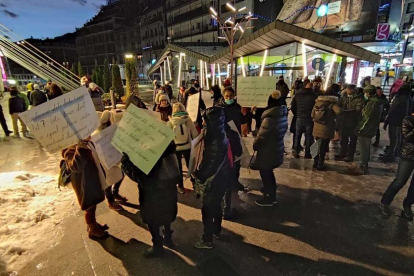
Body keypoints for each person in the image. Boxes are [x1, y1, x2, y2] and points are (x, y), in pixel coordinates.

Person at [121, 142, 180, 258]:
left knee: (153, 221)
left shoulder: (148, 153)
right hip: (168, 190)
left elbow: (140, 176)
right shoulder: (166, 144)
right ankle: (168, 237)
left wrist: (125, 163)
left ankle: (157, 247)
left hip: (152, 195)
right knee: (166, 213)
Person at [193, 106, 229, 249]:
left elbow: (210, 166)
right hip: (222, 178)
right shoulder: (220, 132)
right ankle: (217, 230)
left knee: (207, 209)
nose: (203, 123)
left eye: (205, 120)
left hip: (213, 181)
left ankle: (207, 239)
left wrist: (197, 174)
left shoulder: (215, 140)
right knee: (217, 205)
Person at [63, 138, 109, 239]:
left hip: (90, 179)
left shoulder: (83, 143)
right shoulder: (69, 150)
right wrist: (81, 148)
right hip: (83, 182)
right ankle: (92, 229)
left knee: (93, 204)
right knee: (89, 207)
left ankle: (93, 223)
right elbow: (76, 166)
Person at [251, 90, 288, 206]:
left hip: (267, 151)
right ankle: (270, 191)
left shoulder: (269, 119)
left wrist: (255, 145)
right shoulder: (282, 115)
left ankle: (269, 197)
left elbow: (261, 138)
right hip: (276, 149)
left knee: (266, 173)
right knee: (269, 172)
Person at [218, 87, 246, 219]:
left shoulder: (238, 107)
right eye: (227, 96)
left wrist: (249, 113)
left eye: (231, 96)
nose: (229, 98)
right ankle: (226, 205)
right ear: (223, 96)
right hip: (225, 141)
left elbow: (243, 121)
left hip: (236, 139)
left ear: (234, 96)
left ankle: (235, 181)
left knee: (237, 162)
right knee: (227, 167)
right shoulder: (219, 108)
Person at [380, 114, 414, 219]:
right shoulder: (408, 120)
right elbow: (407, 137)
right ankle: (385, 202)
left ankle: (408, 205)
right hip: (408, 155)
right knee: (400, 181)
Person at [349, 85, 387, 175]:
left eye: (366, 92)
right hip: (371, 127)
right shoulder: (376, 101)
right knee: (364, 147)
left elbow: (367, 118)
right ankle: (362, 164)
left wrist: (359, 128)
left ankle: (363, 166)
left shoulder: (372, 103)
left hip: (366, 129)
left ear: (368, 93)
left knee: (364, 148)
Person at [95, 111, 127, 211]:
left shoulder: (112, 129)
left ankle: (115, 192)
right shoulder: (97, 134)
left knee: (121, 175)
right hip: (105, 162)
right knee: (108, 181)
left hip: (115, 159)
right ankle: (110, 201)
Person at [167, 103, 199, 194]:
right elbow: (195, 133)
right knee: (191, 166)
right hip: (187, 146)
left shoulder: (171, 121)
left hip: (176, 149)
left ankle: (180, 186)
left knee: (178, 168)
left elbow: (167, 136)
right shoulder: (187, 119)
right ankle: (195, 183)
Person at [381, 83, 413, 162]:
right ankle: (392, 153)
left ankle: (391, 155)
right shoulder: (407, 98)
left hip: (397, 122)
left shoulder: (403, 99)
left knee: (395, 139)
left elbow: (394, 111)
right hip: (397, 121)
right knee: (396, 139)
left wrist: (387, 121)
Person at [311, 88, 342, 170]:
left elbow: (312, 114)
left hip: (317, 126)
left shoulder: (317, 102)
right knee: (324, 146)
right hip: (327, 127)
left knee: (317, 145)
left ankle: (315, 162)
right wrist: (332, 117)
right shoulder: (331, 104)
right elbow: (339, 111)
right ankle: (320, 164)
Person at [335, 84, 364, 162]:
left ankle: (350, 155)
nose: (347, 91)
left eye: (349, 90)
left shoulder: (359, 98)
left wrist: (344, 111)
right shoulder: (343, 97)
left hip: (353, 121)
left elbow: (357, 110)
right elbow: (338, 105)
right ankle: (342, 153)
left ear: (353, 90)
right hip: (343, 121)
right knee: (343, 139)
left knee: (352, 139)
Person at [291, 81, 318, 158]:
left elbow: (293, 106)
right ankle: (307, 153)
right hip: (309, 118)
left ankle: (296, 150)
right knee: (309, 136)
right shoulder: (314, 96)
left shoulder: (298, 95)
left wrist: (297, 114)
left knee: (297, 134)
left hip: (299, 117)